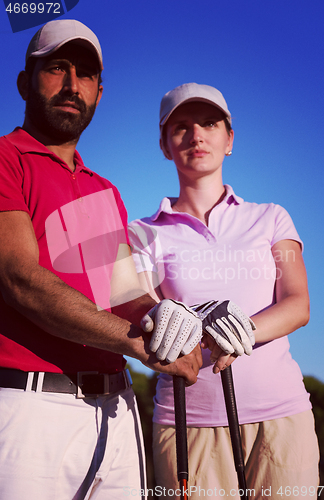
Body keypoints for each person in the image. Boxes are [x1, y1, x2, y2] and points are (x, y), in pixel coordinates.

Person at [0, 24, 203, 500]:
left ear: (99, 92)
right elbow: (19, 278)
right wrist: (143, 342)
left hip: (116, 410)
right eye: (57, 68)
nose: (73, 85)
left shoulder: (103, 189)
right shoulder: (6, 159)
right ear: (24, 82)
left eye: (86, 75)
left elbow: (124, 291)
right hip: (30, 410)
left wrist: (163, 318)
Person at [129, 83, 320, 499]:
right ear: (164, 145)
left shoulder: (271, 217)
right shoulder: (140, 233)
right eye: (181, 127)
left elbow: (298, 303)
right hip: (186, 425)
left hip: (282, 419)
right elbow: (137, 311)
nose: (196, 135)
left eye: (210, 124)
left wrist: (244, 328)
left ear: (229, 139)